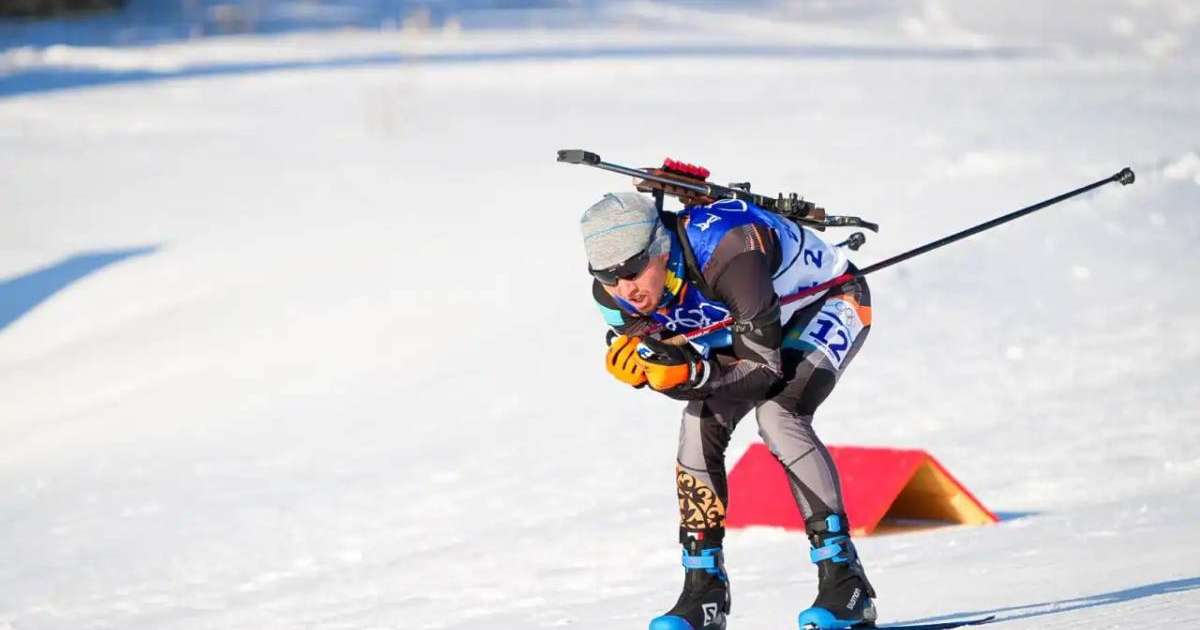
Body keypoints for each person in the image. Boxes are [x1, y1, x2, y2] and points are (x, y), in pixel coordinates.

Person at [580, 191, 877, 630]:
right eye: (608, 277)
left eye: (633, 270)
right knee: (699, 424)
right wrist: (649, 369)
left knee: (779, 415)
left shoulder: (729, 250)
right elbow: (676, 366)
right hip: (746, 328)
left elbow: (763, 369)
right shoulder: (614, 300)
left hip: (826, 302)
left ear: (660, 248)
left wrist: (689, 375)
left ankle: (846, 583)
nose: (626, 289)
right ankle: (704, 592)